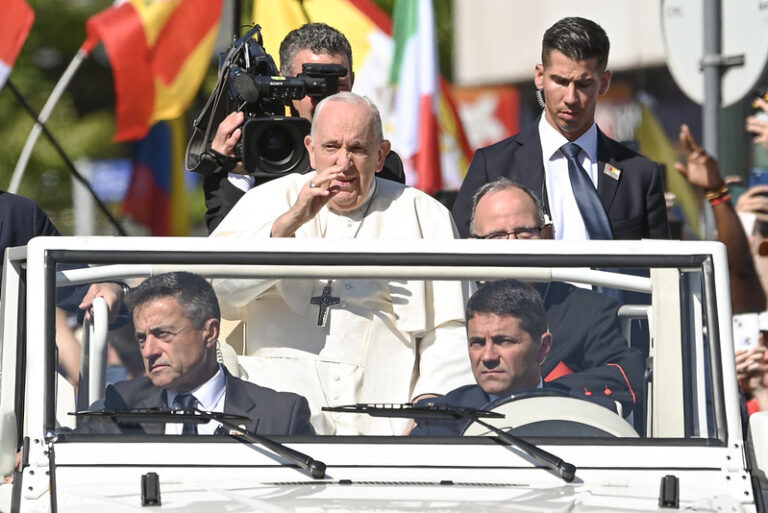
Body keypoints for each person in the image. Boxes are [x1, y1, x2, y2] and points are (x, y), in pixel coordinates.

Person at [211, 92, 474, 435]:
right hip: (275, 422)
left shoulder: (425, 215)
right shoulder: (266, 202)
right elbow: (214, 292)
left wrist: (429, 408)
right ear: (310, 148)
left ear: (381, 155)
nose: (343, 164)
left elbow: (451, 330)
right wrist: (284, 227)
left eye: (358, 149)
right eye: (331, 147)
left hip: (387, 423)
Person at [451, 16, 669, 241]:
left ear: (604, 82)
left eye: (584, 84)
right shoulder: (493, 164)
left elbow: (662, 270)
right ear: (540, 76)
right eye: (561, 81)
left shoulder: (639, 174)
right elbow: (460, 256)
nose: (571, 97)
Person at [203, 22, 404, 232]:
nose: (326, 97)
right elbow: (226, 247)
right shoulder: (253, 155)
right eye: (310, 86)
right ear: (284, 85)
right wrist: (237, 173)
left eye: (337, 85)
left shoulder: (380, 164)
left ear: (352, 81)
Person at [468, 178, 644, 416]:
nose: (512, 246)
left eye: (524, 232)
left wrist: (539, 392)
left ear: (547, 235)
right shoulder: (453, 308)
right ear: (474, 245)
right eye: (496, 236)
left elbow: (625, 377)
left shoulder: (588, 311)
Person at [77, 272, 314, 436]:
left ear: (210, 332)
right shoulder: (118, 406)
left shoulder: (281, 416)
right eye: (142, 338)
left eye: (163, 334)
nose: (149, 351)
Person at [411, 279, 596, 436]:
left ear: (543, 348)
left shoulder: (588, 418)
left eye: (504, 341)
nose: (488, 356)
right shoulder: (438, 424)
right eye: (477, 342)